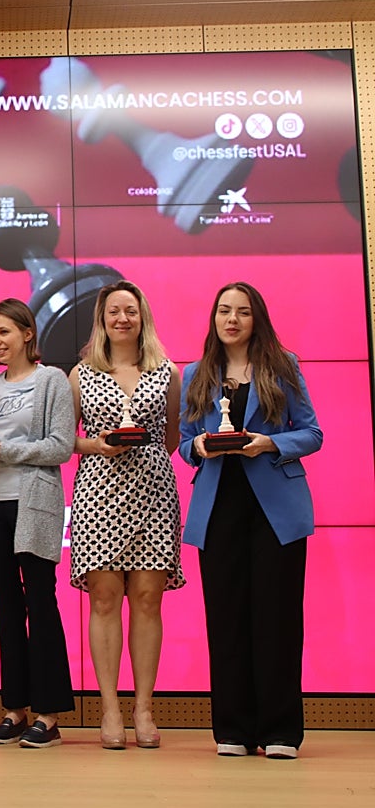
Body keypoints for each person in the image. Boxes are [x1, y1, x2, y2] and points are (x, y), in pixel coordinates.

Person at [179, 282, 322, 760]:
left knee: (277, 620)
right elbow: (183, 442)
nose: (232, 319)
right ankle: (234, 729)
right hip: (219, 509)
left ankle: (281, 731)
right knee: (226, 621)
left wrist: (270, 443)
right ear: (214, 318)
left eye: (242, 312)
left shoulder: (283, 367)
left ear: (256, 318)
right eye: (224, 310)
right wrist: (197, 447)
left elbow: (312, 432)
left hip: (274, 510)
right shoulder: (197, 373)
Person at [68, 280, 183, 750]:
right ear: (102, 319)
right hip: (98, 492)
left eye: (130, 311)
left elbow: (173, 437)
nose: (122, 318)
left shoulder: (167, 371)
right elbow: (64, 439)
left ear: (142, 317)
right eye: (113, 311)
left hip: (154, 493)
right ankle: (110, 708)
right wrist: (99, 445)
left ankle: (143, 709)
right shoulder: (81, 373)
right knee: (103, 600)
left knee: (149, 600)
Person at [0, 298, 75, 749]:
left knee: (41, 607)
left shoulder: (52, 381)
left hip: (33, 507)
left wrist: (1, 450)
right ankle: (15, 708)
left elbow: (60, 446)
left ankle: (48, 715)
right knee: (6, 610)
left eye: (4, 332)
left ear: (28, 333)